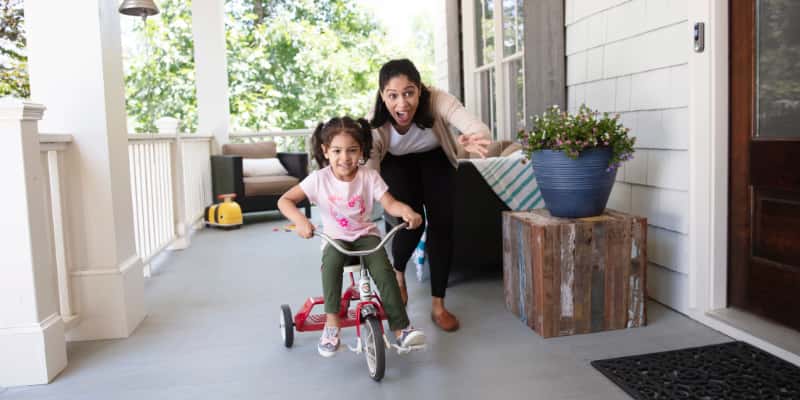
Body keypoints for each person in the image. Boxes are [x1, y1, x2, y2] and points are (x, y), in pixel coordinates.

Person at [278, 116, 426, 358]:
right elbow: (284, 201)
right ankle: (332, 324)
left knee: (384, 271)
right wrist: (301, 221)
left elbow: (390, 203)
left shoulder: (368, 177)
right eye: (337, 151)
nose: (344, 158)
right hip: (335, 237)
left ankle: (401, 328)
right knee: (331, 266)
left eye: (352, 151)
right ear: (326, 151)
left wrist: (406, 211)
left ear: (362, 152)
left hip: (365, 234)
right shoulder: (319, 179)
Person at [368, 58, 491, 332]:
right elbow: (370, 173)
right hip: (397, 164)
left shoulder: (437, 99)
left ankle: (438, 305)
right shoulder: (374, 124)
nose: (402, 104)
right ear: (382, 95)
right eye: (393, 95)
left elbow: (475, 126)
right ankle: (398, 274)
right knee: (410, 224)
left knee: (443, 226)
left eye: (409, 93)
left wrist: (476, 136)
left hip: (435, 160)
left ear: (420, 90)